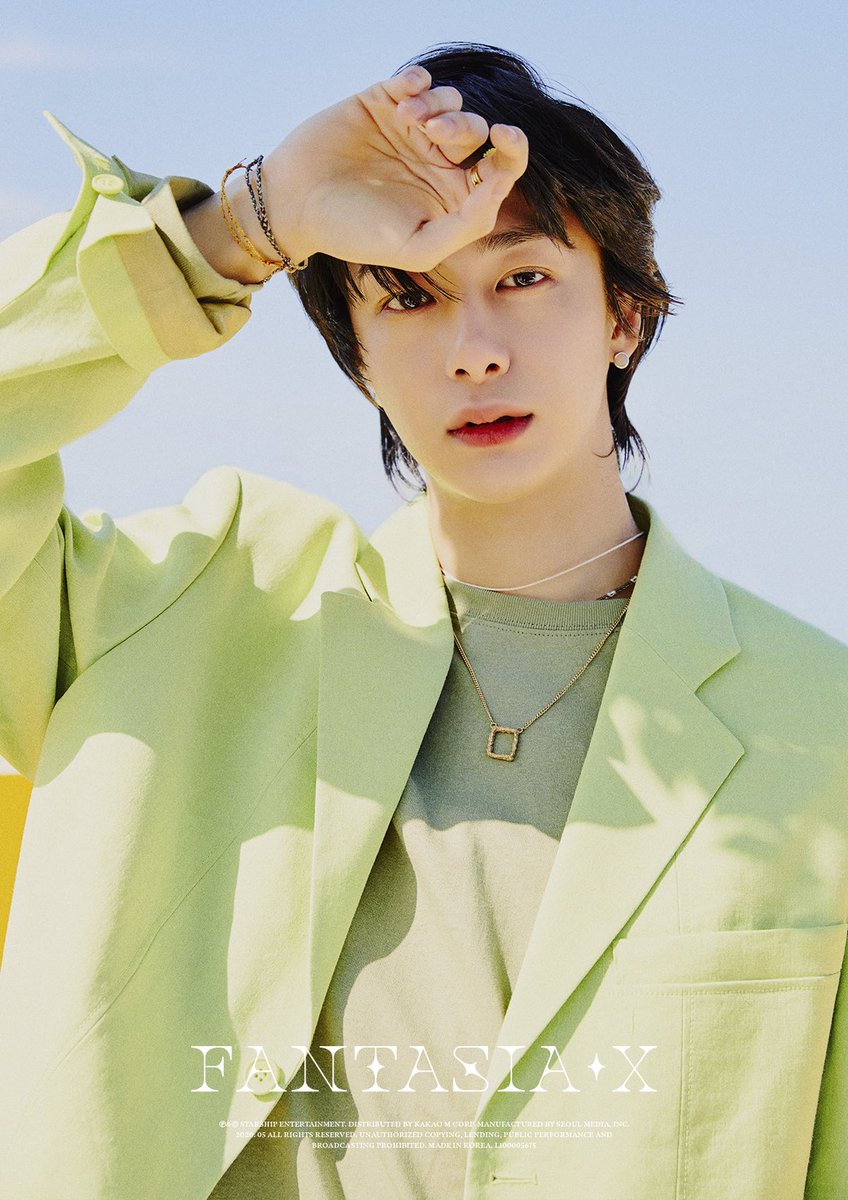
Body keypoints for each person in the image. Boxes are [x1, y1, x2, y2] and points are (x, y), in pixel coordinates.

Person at [0, 40, 845, 1200]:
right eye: (407, 295)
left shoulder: (818, 726)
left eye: (522, 279)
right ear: (355, 356)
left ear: (623, 317)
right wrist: (244, 224)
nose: (473, 352)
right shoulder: (182, 618)